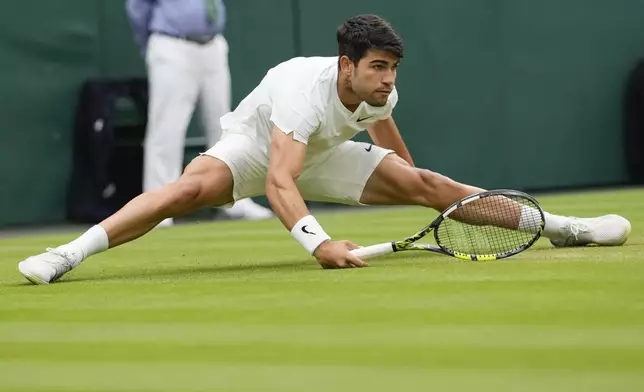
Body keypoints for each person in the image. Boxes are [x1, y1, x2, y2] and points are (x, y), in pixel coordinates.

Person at [18, 14, 631, 284]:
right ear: (347, 65)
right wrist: (320, 243)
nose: (389, 79)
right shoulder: (300, 89)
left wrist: (417, 188)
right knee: (181, 191)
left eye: (393, 68)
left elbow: (394, 146)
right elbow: (279, 181)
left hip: (318, 156)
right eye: (379, 68)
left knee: (435, 184)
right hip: (255, 151)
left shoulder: (380, 89)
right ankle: (67, 255)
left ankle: (561, 226)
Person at [125, 0, 273, 226]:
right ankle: (157, 209)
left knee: (225, 126)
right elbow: (137, 7)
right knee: (167, 130)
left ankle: (234, 200)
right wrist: (151, 45)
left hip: (213, 45)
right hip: (172, 43)